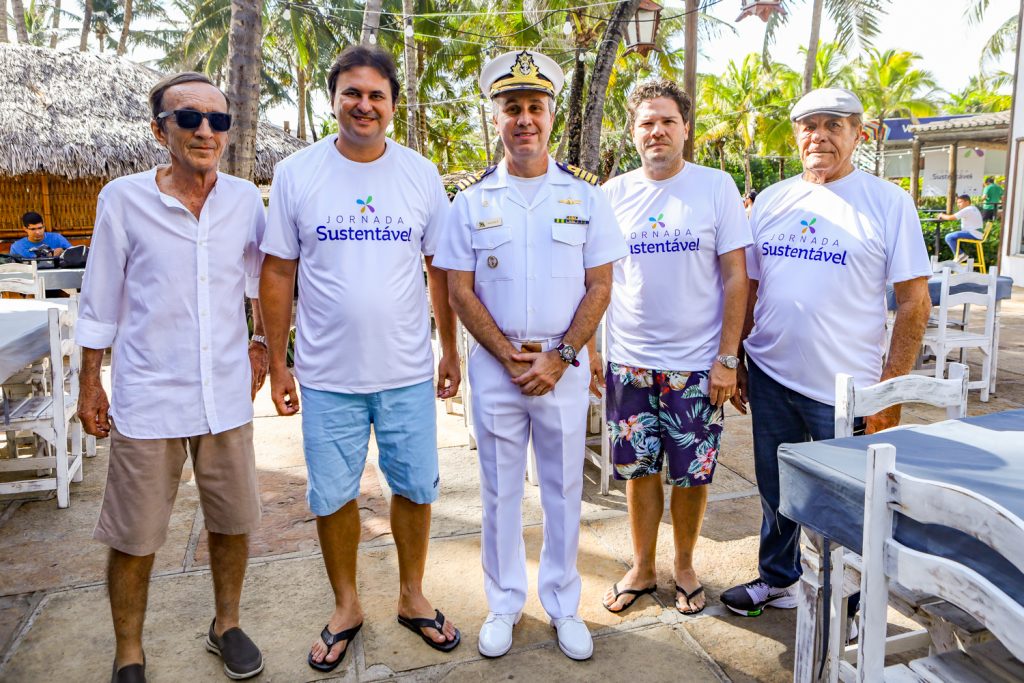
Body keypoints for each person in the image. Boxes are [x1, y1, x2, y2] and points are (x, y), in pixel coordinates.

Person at [259, 45, 462, 674]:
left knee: (416, 487)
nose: (364, 105)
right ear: (333, 100)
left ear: (393, 104)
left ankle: (411, 594)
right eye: (352, 92)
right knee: (332, 495)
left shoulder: (420, 174)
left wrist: (448, 348)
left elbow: (439, 267)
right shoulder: (297, 173)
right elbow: (278, 271)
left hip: (406, 371)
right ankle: (346, 605)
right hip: (327, 375)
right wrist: (279, 362)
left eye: (377, 95)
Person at [434, 49, 628, 661]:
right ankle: (504, 603)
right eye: (512, 107)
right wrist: (506, 354)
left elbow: (600, 285)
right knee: (498, 492)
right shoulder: (470, 201)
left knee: (564, 490)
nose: (524, 119)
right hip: (498, 370)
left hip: (562, 368)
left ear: (551, 116)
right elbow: (458, 289)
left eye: (535, 107)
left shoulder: (585, 196)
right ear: (495, 117)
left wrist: (562, 356)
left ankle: (565, 605)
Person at [76, 72, 268, 683]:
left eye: (218, 120)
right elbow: (99, 297)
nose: (206, 131)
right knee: (134, 535)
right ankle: (129, 652)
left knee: (232, 522)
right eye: (189, 118)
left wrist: (264, 342)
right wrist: (89, 380)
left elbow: (259, 279)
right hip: (149, 394)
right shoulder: (123, 199)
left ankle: (226, 625)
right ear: (160, 130)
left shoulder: (244, 200)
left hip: (225, 392)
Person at [719, 87, 932, 617]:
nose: (820, 136)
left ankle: (853, 603)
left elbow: (914, 303)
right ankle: (779, 580)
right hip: (770, 374)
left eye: (834, 125)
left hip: (847, 390)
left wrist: (889, 393)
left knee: (850, 501)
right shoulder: (771, 201)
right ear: (796, 136)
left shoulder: (888, 203)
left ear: (858, 134)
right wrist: (739, 357)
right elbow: (751, 287)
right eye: (809, 126)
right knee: (776, 487)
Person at [598, 80, 752, 617]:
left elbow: (736, 277)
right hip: (630, 362)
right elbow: (597, 279)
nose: (656, 131)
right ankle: (642, 567)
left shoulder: (715, 187)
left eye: (667, 121)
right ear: (633, 131)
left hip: (696, 366)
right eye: (646, 122)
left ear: (686, 128)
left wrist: (728, 358)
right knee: (638, 471)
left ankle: (684, 565)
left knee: (692, 473)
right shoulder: (613, 194)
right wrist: (594, 351)